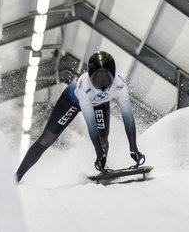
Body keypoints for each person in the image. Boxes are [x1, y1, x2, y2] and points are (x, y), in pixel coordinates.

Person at [16, 51, 145, 182]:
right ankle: (17, 176)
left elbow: (128, 118)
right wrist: (99, 152)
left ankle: (102, 167)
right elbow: (91, 125)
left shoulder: (120, 85)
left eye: (106, 81)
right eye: (98, 82)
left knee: (103, 140)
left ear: (113, 75)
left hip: (100, 105)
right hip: (72, 101)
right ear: (90, 77)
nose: (102, 87)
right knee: (46, 140)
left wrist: (133, 147)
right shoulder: (85, 86)